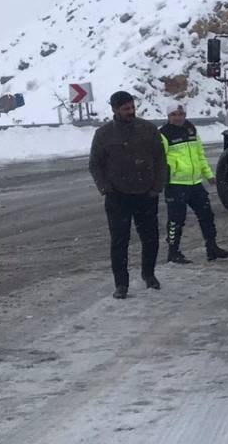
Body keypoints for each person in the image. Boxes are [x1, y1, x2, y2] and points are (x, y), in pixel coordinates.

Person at [89, 90, 167, 299]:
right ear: (115, 110)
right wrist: (105, 188)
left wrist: (156, 187)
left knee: (150, 238)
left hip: (146, 194)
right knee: (119, 242)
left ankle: (149, 274)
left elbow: (161, 160)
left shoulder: (148, 129)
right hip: (118, 196)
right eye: (125, 109)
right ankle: (121, 284)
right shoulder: (104, 134)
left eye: (132, 107)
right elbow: (95, 165)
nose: (130, 112)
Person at [160, 105, 228, 263]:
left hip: (195, 183)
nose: (178, 117)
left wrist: (208, 174)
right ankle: (173, 252)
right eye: (174, 114)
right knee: (176, 220)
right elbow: (159, 159)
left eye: (181, 114)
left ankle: (212, 248)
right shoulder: (163, 134)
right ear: (168, 116)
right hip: (176, 183)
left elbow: (199, 154)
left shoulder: (191, 129)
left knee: (207, 215)